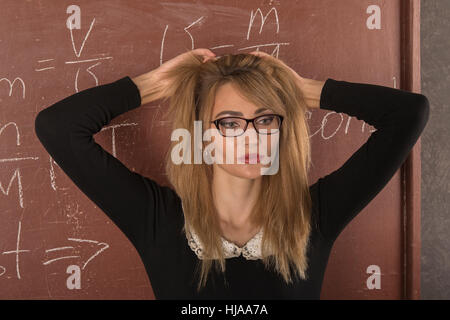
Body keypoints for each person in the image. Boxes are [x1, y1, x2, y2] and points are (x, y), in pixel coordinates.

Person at [34, 48, 429, 299]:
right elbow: (58, 127)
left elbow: (409, 113)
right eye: (229, 123)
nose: (252, 138)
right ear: (201, 135)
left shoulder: (314, 215)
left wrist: (302, 91)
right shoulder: (155, 218)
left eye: (265, 119)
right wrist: (153, 85)